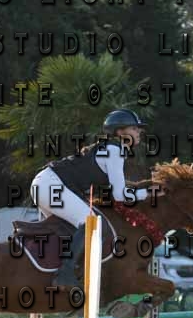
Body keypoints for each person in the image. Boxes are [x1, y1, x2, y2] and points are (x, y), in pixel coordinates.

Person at [31, 109, 152, 288]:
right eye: (134, 128)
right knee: (92, 223)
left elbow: (114, 191)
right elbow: (120, 195)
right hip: (51, 186)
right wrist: (149, 193)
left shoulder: (109, 148)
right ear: (120, 132)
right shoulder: (115, 150)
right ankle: (65, 275)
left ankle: (49, 274)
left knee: (66, 232)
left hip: (45, 184)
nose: (139, 132)